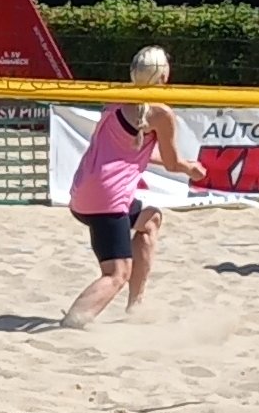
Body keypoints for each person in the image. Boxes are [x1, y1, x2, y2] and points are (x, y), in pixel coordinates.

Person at [62, 47, 200, 323]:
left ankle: (135, 306)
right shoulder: (160, 113)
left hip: (82, 193)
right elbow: (173, 164)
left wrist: (181, 163)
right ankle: (73, 321)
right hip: (107, 200)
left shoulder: (116, 97)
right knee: (116, 273)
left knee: (151, 220)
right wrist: (190, 168)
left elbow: (134, 151)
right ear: (164, 77)